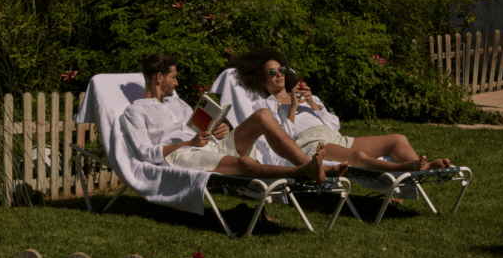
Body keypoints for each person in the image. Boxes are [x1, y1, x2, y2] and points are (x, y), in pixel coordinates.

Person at [121, 53, 349, 182]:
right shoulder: (134, 111)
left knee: (262, 115)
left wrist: (218, 128)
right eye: (173, 77)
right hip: (183, 154)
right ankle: (302, 172)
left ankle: (309, 165)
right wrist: (190, 143)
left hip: (211, 144)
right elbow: (145, 152)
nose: (177, 83)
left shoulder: (177, 103)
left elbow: (196, 127)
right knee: (243, 164)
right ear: (159, 77)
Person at [234, 48, 452, 171]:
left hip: (336, 137)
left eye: (280, 70)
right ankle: (405, 169)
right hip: (311, 145)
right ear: (262, 81)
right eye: (271, 73)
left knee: (398, 139)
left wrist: (312, 104)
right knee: (356, 157)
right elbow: (282, 139)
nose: (278, 75)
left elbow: (333, 124)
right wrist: (292, 109)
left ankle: (420, 170)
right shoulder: (266, 105)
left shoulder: (304, 94)